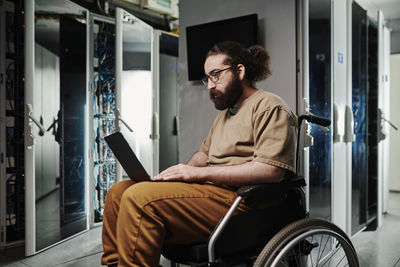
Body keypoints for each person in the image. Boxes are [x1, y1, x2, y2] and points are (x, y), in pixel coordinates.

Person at [101, 41, 298, 267]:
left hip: (244, 201)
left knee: (140, 199)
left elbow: (270, 171)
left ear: (240, 71)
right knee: (118, 192)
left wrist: (195, 175)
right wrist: (174, 177)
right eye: (207, 78)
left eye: (215, 75)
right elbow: (204, 155)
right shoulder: (225, 115)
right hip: (211, 194)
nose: (209, 85)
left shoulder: (269, 106)